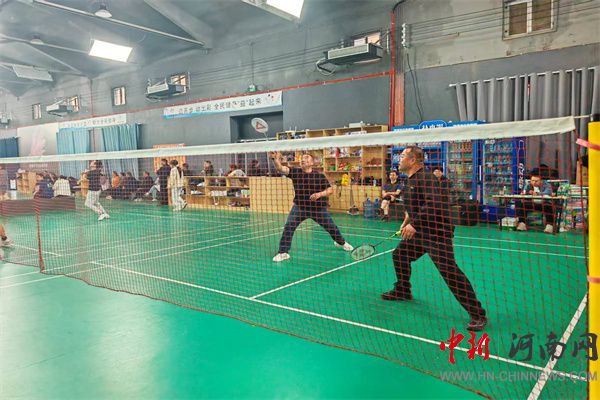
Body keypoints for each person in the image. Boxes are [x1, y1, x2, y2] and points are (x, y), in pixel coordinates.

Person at [382, 146, 487, 331]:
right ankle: (403, 290)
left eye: (403, 156)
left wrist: (414, 225)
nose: (399, 159)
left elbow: (433, 204)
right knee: (400, 255)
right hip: (420, 231)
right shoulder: (409, 180)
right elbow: (415, 207)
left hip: (437, 233)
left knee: (449, 272)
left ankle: (478, 314)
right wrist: (407, 222)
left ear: (412, 160)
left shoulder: (426, 178)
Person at [270, 152, 353, 262]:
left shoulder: (319, 176)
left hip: (318, 209)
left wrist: (319, 194)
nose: (302, 160)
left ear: (311, 163)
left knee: (331, 227)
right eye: (302, 158)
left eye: (306, 158)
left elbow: (330, 190)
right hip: (300, 207)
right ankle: (283, 252)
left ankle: (341, 242)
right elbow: (281, 169)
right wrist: (275, 160)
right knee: (289, 226)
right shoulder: (295, 172)